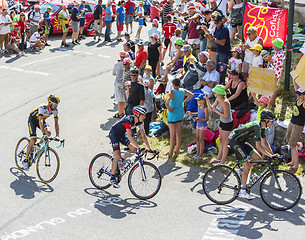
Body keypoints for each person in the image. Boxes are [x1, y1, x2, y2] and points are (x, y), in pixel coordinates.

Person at [229, 110, 276, 199]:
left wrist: (272, 154)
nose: (272, 123)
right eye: (271, 121)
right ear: (266, 121)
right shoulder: (257, 127)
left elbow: (265, 143)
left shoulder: (262, 127)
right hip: (235, 142)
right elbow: (259, 147)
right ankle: (242, 191)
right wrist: (270, 155)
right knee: (247, 166)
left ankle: (241, 170)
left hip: (242, 142)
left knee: (258, 158)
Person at [109, 105, 154, 188]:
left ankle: (121, 159)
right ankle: (112, 178)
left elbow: (144, 136)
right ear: (137, 115)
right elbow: (130, 137)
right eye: (143, 115)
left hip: (122, 134)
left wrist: (150, 148)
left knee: (133, 149)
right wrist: (139, 147)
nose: (144, 117)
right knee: (117, 154)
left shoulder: (140, 122)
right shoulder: (128, 120)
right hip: (114, 134)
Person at [23, 95, 60, 171]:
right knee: (33, 140)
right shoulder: (42, 107)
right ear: (50, 103)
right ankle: (26, 160)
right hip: (33, 120)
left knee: (49, 133)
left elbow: (56, 123)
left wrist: (57, 135)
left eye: (57, 105)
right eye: (55, 105)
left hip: (42, 121)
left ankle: (38, 145)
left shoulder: (55, 110)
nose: (56, 107)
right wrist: (43, 134)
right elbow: (40, 121)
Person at [165, 78, 194, 157]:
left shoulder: (172, 92)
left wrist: (169, 109)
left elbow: (167, 103)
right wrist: (184, 102)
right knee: (179, 133)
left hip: (172, 114)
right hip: (180, 112)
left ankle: (170, 151)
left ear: (173, 84)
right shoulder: (183, 90)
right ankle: (177, 149)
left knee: (172, 134)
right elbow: (192, 95)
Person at [206, 85, 233, 165]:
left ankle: (223, 162)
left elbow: (226, 115)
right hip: (222, 122)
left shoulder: (225, 102)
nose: (214, 93)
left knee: (225, 143)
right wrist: (207, 99)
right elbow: (211, 108)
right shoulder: (218, 99)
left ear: (220, 93)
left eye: (215, 92)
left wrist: (216, 111)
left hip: (227, 123)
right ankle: (218, 158)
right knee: (221, 140)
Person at [286, 79, 305, 171]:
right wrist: (294, 79)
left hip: (298, 125)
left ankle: (296, 165)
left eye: (300, 94)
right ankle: (293, 161)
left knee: (293, 145)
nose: (298, 95)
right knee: (290, 142)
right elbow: (296, 87)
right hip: (292, 122)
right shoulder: (298, 99)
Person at [210, 11, 231, 85]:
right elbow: (214, 36)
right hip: (219, 51)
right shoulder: (217, 28)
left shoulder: (224, 29)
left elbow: (222, 42)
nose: (216, 24)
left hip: (224, 52)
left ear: (221, 21)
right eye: (215, 23)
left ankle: (222, 84)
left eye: (217, 23)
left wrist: (213, 39)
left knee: (222, 70)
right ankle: (218, 83)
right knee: (217, 69)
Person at [186, 93, 209, 160]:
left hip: (203, 125)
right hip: (198, 124)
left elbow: (206, 119)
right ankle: (197, 153)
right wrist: (191, 113)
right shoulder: (199, 106)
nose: (197, 101)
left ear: (203, 100)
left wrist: (198, 119)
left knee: (201, 139)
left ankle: (200, 155)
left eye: (198, 100)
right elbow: (198, 114)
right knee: (198, 139)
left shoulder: (206, 108)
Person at [264, 38, 285, 106]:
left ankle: (272, 103)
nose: (273, 46)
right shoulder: (277, 53)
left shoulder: (280, 55)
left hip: (275, 74)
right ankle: (271, 102)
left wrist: (270, 60)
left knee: (273, 89)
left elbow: (277, 65)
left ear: (278, 47)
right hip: (273, 72)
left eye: (274, 45)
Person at [113, 52, 128, 119]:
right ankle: (124, 111)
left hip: (118, 83)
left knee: (120, 100)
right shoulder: (128, 64)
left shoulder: (117, 64)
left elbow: (113, 73)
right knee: (125, 98)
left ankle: (120, 113)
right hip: (125, 83)